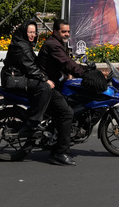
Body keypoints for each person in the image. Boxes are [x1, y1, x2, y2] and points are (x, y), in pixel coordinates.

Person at [0, 21, 74, 166]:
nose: (33, 35)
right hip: (15, 80)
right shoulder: (20, 47)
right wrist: (46, 79)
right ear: (23, 32)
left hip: (20, 77)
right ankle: (34, 121)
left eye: (34, 32)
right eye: (30, 32)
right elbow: (31, 68)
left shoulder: (24, 44)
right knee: (45, 88)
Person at [35, 19, 84, 165]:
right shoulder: (53, 44)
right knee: (67, 113)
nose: (67, 34)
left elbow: (62, 63)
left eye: (68, 31)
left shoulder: (57, 43)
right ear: (56, 31)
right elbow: (66, 62)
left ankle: (56, 138)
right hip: (47, 85)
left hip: (52, 83)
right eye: (64, 31)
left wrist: (73, 71)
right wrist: (84, 72)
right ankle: (60, 153)